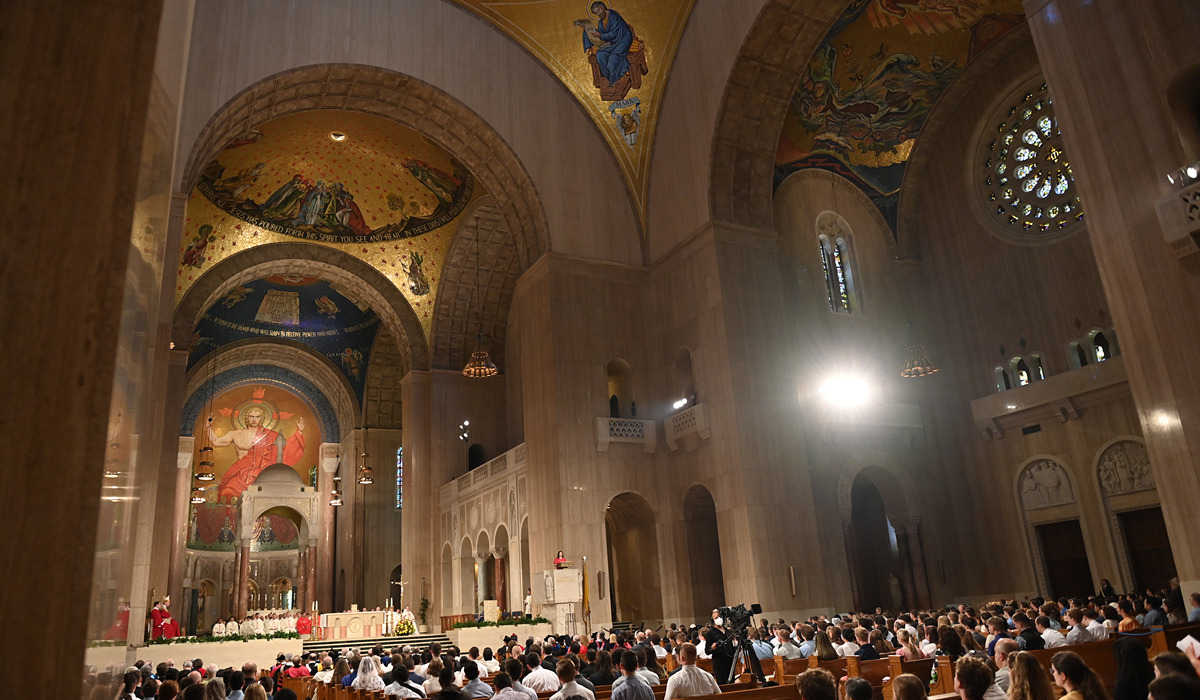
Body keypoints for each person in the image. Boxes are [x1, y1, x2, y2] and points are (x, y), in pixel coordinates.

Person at [208, 406, 305, 502]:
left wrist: (299, 432)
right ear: (246, 418)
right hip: (240, 471)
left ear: (261, 419)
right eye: (251, 416)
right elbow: (216, 442)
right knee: (227, 493)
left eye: (257, 417)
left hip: (260, 473)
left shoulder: (268, 435)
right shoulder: (235, 434)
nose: (254, 419)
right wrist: (208, 428)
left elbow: (285, 448)